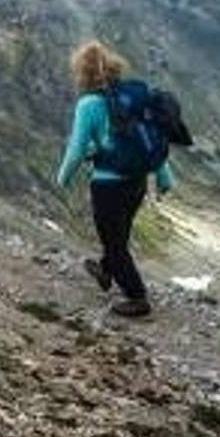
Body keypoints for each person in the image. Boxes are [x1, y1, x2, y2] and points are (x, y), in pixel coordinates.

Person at [55, 41, 175, 318]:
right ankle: (106, 271)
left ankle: (137, 297)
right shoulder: (131, 99)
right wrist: (165, 177)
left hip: (108, 185)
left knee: (114, 242)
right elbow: (151, 142)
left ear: (83, 74)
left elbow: (75, 150)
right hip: (137, 182)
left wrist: (63, 179)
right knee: (119, 235)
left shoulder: (88, 105)